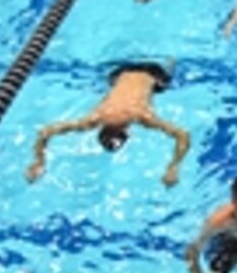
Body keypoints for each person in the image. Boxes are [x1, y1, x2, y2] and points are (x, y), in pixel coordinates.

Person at [25, 61, 190, 187]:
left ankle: (170, 63)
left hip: (153, 73)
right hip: (119, 73)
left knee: (167, 74)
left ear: (128, 133)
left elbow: (183, 135)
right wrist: (38, 161)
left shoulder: (141, 117)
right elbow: (45, 132)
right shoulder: (95, 118)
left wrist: (173, 167)